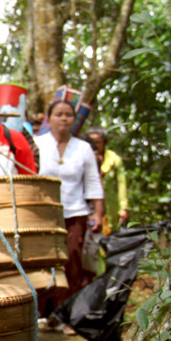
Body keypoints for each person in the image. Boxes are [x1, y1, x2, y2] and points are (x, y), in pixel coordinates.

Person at [34, 99, 105, 313]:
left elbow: (93, 181)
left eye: (68, 115)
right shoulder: (37, 143)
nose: (64, 119)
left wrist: (99, 213)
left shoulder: (83, 148)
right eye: (58, 114)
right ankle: (43, 314)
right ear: (49, 118)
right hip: (42, 214)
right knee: (42, 262)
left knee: (72, 261)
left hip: (75, 213)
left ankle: (68, 314)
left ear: (75, 120)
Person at [86, 127, 129, 232]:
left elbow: (121, 184)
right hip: (87, 204)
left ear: (105, 142)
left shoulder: (114, 159)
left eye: (98, 142)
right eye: (91, 142)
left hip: (109, 204)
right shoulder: (81, 156)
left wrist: (123, 207)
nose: (95, 145)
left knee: (110, 235)